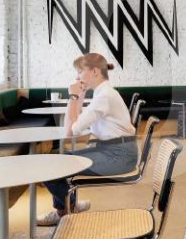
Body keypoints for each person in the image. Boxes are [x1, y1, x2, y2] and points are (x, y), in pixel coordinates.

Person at [37, 53, 137, 226]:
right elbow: (77, 121)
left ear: (95, 71)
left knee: (50, 167)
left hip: (118, 156)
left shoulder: (104, 96)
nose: (77, 77)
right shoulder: (103, 93)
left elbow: (69, 131)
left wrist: (73, 96)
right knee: (54, 162)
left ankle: (66, 209)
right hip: (113, 150)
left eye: (79, 72)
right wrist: (80, 94)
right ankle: (69, 205)